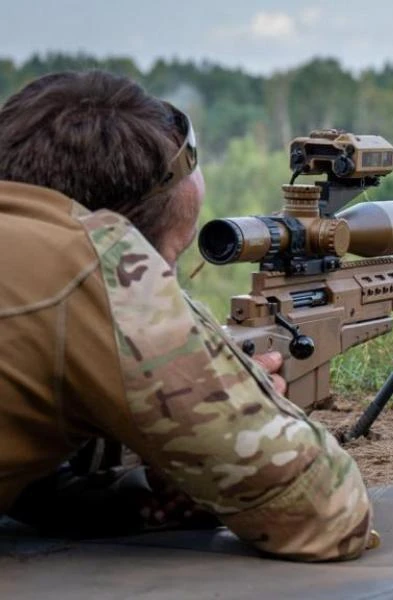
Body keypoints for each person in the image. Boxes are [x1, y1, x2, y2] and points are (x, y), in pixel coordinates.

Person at [0, 71, 372, 561]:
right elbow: (324, 510)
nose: (169, 280)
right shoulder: (93, 261)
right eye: (169, 264)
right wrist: (229, 387)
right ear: (120, 240)